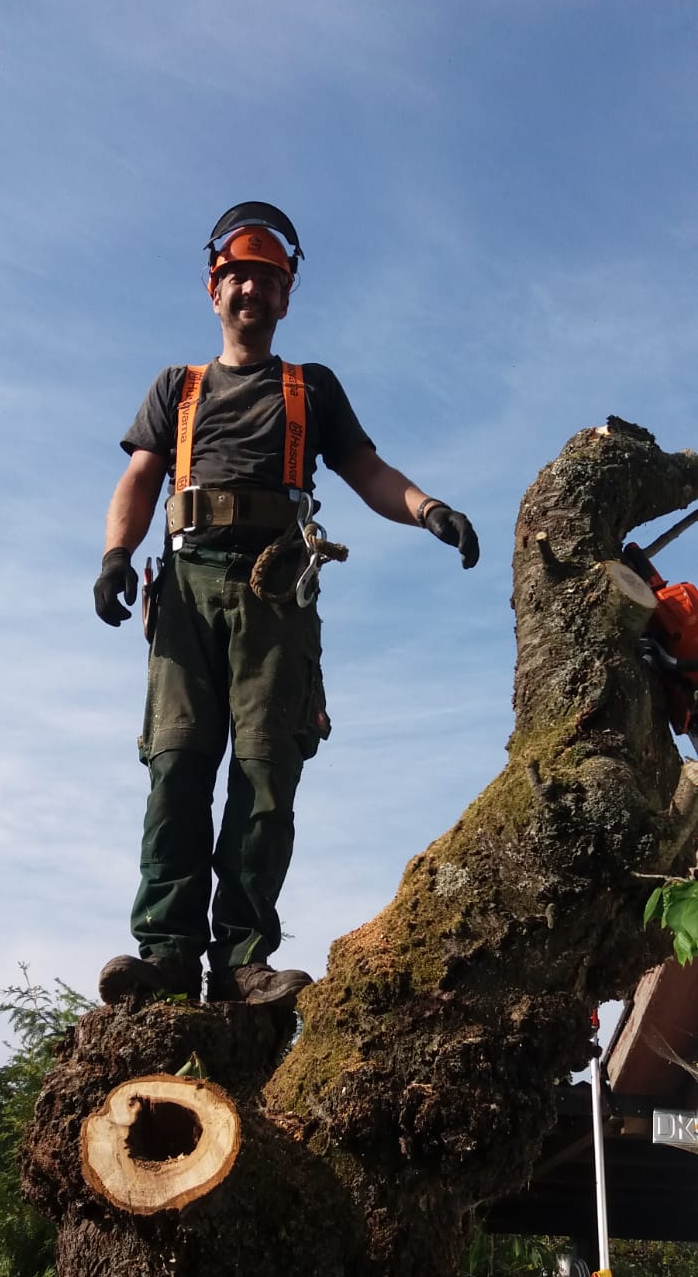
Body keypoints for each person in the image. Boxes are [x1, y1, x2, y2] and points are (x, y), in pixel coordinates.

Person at [94, 202, 478, 1010]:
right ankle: (166, 957)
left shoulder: (312, 388)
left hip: (276, 593)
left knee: (266, 774)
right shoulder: (177, 388)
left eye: (266, 280)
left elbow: (366, 469)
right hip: (188, 586)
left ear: (286, 297)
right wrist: (115, 558)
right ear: (214, 291)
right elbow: (139, 477)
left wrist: (428, 509)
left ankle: (242, 961)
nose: (251, 291)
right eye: (237, 277)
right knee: (177, 766)